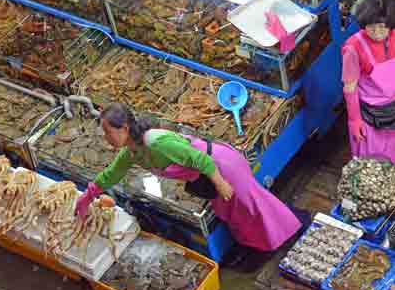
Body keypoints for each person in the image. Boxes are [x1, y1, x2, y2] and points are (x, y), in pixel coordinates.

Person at [75, 103, 302, 257]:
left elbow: (200, 158)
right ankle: (261, 245)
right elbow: (112, 173)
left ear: (124, 128)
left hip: (222, 167)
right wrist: (87, 196)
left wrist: (221, 183)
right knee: (234, 214)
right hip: (207, 176)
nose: (106, 138)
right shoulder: (131, 151)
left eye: (107, 132)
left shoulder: (156, 142)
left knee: (253, 207)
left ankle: (288, 236)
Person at [342, 0, 395, 161]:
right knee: (372, 162)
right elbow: (350, 87)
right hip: (371, 113)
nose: (377, 32)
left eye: (382, 26)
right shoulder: (353, 48)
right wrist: (355, 120)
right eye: (371, 26)